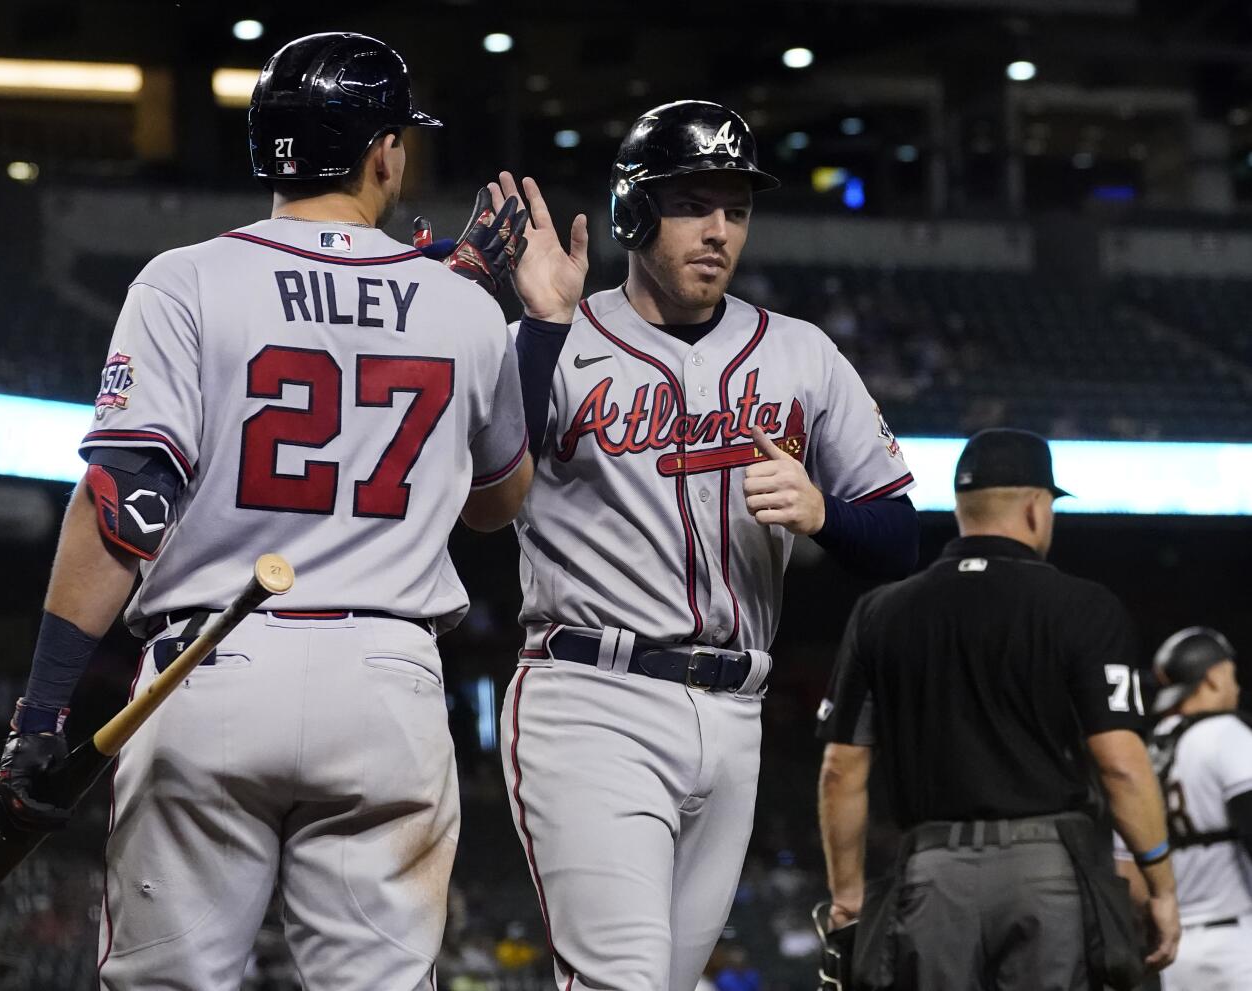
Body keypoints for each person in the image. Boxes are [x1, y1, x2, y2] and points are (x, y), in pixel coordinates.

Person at [0, 32, 532, 990]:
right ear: (381, 151)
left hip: (211, 668)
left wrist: (41, 712)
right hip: (387, 679)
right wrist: (469, 309)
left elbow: (123, 499)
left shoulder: (186, 278)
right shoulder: (464, 306)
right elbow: (499, 505)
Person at [495, 100, 919, 991]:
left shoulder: (799, 354)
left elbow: (898, 536)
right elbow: (483, 497)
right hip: (592, 694)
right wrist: (541, 329)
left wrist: (822, 512)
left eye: (736, 207)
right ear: (634, 212)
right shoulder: (560, 341)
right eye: (693, 203)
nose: (719, 230)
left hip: (736, 713)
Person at [816, 428, 1180, 991]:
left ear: (963, 510)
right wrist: (1161, 886)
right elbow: (1121, 765)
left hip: (929, 875)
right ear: (1036, 509)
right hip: (1048, 872)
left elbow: (841, 769)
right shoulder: (1083, 607)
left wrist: (846, 897)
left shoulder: (880, 613)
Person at [1126, 627, 1250, 991]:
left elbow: (1128, 869)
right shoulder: (1225, 733)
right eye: (1231, 675)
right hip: (1237, 944)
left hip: (1174, 950)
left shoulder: (1146, 751)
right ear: (1213, 677)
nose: (1237, 687)